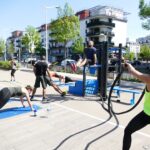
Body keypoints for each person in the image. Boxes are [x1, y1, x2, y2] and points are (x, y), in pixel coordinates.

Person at [122, 63, 150, 150]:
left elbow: (133, 72)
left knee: (128, 131)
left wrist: (129, 66)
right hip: (146, 113)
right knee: (128, 131)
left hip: (147, 114)